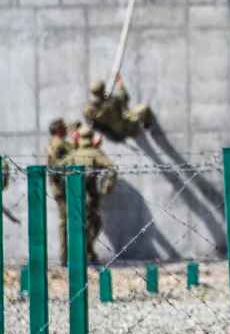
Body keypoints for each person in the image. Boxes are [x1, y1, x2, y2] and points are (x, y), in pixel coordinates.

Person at [67, 125, 117, 263]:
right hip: (90, 193)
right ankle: (81, 255)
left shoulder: (74, 154)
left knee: (90, 224)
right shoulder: (95, 154)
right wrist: (105, 190)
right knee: (90, 225)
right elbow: (111, 170)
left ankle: (86, 252)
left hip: (75, 193)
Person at [44, 118, 77, 264]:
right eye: (63, 128)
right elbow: (71, 158)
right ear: (58, 130)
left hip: (60, 186)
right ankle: (66, 255)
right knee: (66, 221)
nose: (66, 130)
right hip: (63, 187)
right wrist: (75, 145)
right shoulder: (58, 144)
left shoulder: (52, 143)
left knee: (66, 220)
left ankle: (67, 255)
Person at [83, 76, 153, 142]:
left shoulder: (87, 110)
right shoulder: (112, 102)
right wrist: (120, 84)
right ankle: (146, 125)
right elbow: (125, 98)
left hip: (110, 136)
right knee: (144, 107)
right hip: (122, 132)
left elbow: (90, 124)